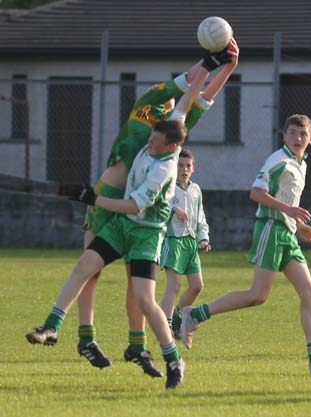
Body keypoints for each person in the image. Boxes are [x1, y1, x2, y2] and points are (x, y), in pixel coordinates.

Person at [25, 66, 220, 389]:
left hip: (145, 232)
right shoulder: (172, 129)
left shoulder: (163, 171)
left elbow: (132, 206)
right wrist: (210, 66)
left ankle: (173, 358)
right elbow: (186, 103)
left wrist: (93, 197)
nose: (150, 141)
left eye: (155, 141)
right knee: (84, 265)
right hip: (122, 225)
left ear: (170, 148)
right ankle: (51, 326)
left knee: (146, 300)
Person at [73, 39, 240, 375]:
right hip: (109, 192)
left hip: (138, 210)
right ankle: (86, 336)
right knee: (90, 267)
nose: (166, 90)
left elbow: (203, 94)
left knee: (135, 280)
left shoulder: (178, 126)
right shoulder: (147, 104)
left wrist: (229, 67)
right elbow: (191, 79)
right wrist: (210, 61)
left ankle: (137, 346)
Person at [180, 114, 311, 375]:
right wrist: (289, 211)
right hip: (271, 230)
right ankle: (194, 315)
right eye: (292, 132)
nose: (297, 138)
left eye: (302, 134)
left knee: (310, 292)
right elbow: (256, 193)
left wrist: (299, 226)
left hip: (287, 233)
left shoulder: (300, 163)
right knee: (257, 295)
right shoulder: (278, 161)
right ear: (284, 136)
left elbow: (286, 200)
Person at [160, 149, 211, 339]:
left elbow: (200, 217)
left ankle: (176, 317)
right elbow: (159, 208)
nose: (184, 169)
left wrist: (203, 238)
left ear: (193, 168)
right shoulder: (168, 187)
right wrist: (174, 209)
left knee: (197, 286)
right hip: (173, 242)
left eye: (188, 165)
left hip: (190, 243)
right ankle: (165, 326)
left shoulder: (196, 190)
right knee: (174, 285)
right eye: (180, 165)